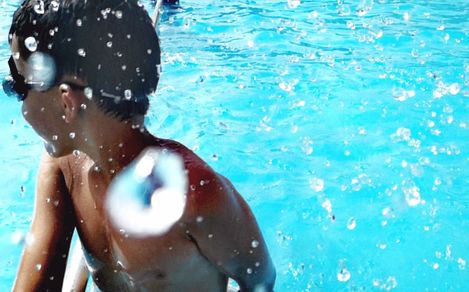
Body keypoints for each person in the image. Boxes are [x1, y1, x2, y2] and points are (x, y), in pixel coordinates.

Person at [5, 0, 276, 291]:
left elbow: (260, 280)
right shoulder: (63, 168)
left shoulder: (196, 194)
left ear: (67, 102)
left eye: (18, 85)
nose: (16, 99)